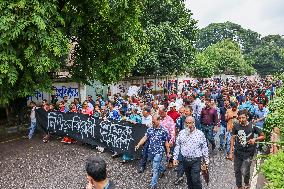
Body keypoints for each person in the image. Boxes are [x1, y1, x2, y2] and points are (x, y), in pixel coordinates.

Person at [228, 110, 265, 189]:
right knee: (237, 170)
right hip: (238, 152)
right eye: (240, 118)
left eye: (243, 118)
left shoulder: (253, 126)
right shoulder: (236, 126)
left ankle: (247, 183)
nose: (241, 120)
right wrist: (230, 152)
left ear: (247, 117)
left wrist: (255, 139)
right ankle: (239, 186)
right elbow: (233, 139)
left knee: (245, 171)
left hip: (248, 153)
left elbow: (263, 136)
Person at [173, 116, 209, 189]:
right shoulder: (181, 133)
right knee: (189, 179)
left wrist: (206, 159)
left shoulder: (200, 134)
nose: (188, 125)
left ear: (194, 123)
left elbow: (204, 147)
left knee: (195, 180)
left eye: (190, 123)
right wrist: (175, 158)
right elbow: (177, 145)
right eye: (186, 123)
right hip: (185, 160)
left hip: (196, 160)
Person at [135, 115, 170, 189]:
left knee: (155, 169)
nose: (153, 123)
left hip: (159, 152)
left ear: (158, 120)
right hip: (150, 151)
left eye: (154, 122)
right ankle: (163, 169)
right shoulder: (150, 129)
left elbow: (166, 143)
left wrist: (168, 153)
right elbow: (145, 137)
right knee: (155, 165)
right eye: (152, 122)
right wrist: (138, 144)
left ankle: (153, 185)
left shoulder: (164, 130)